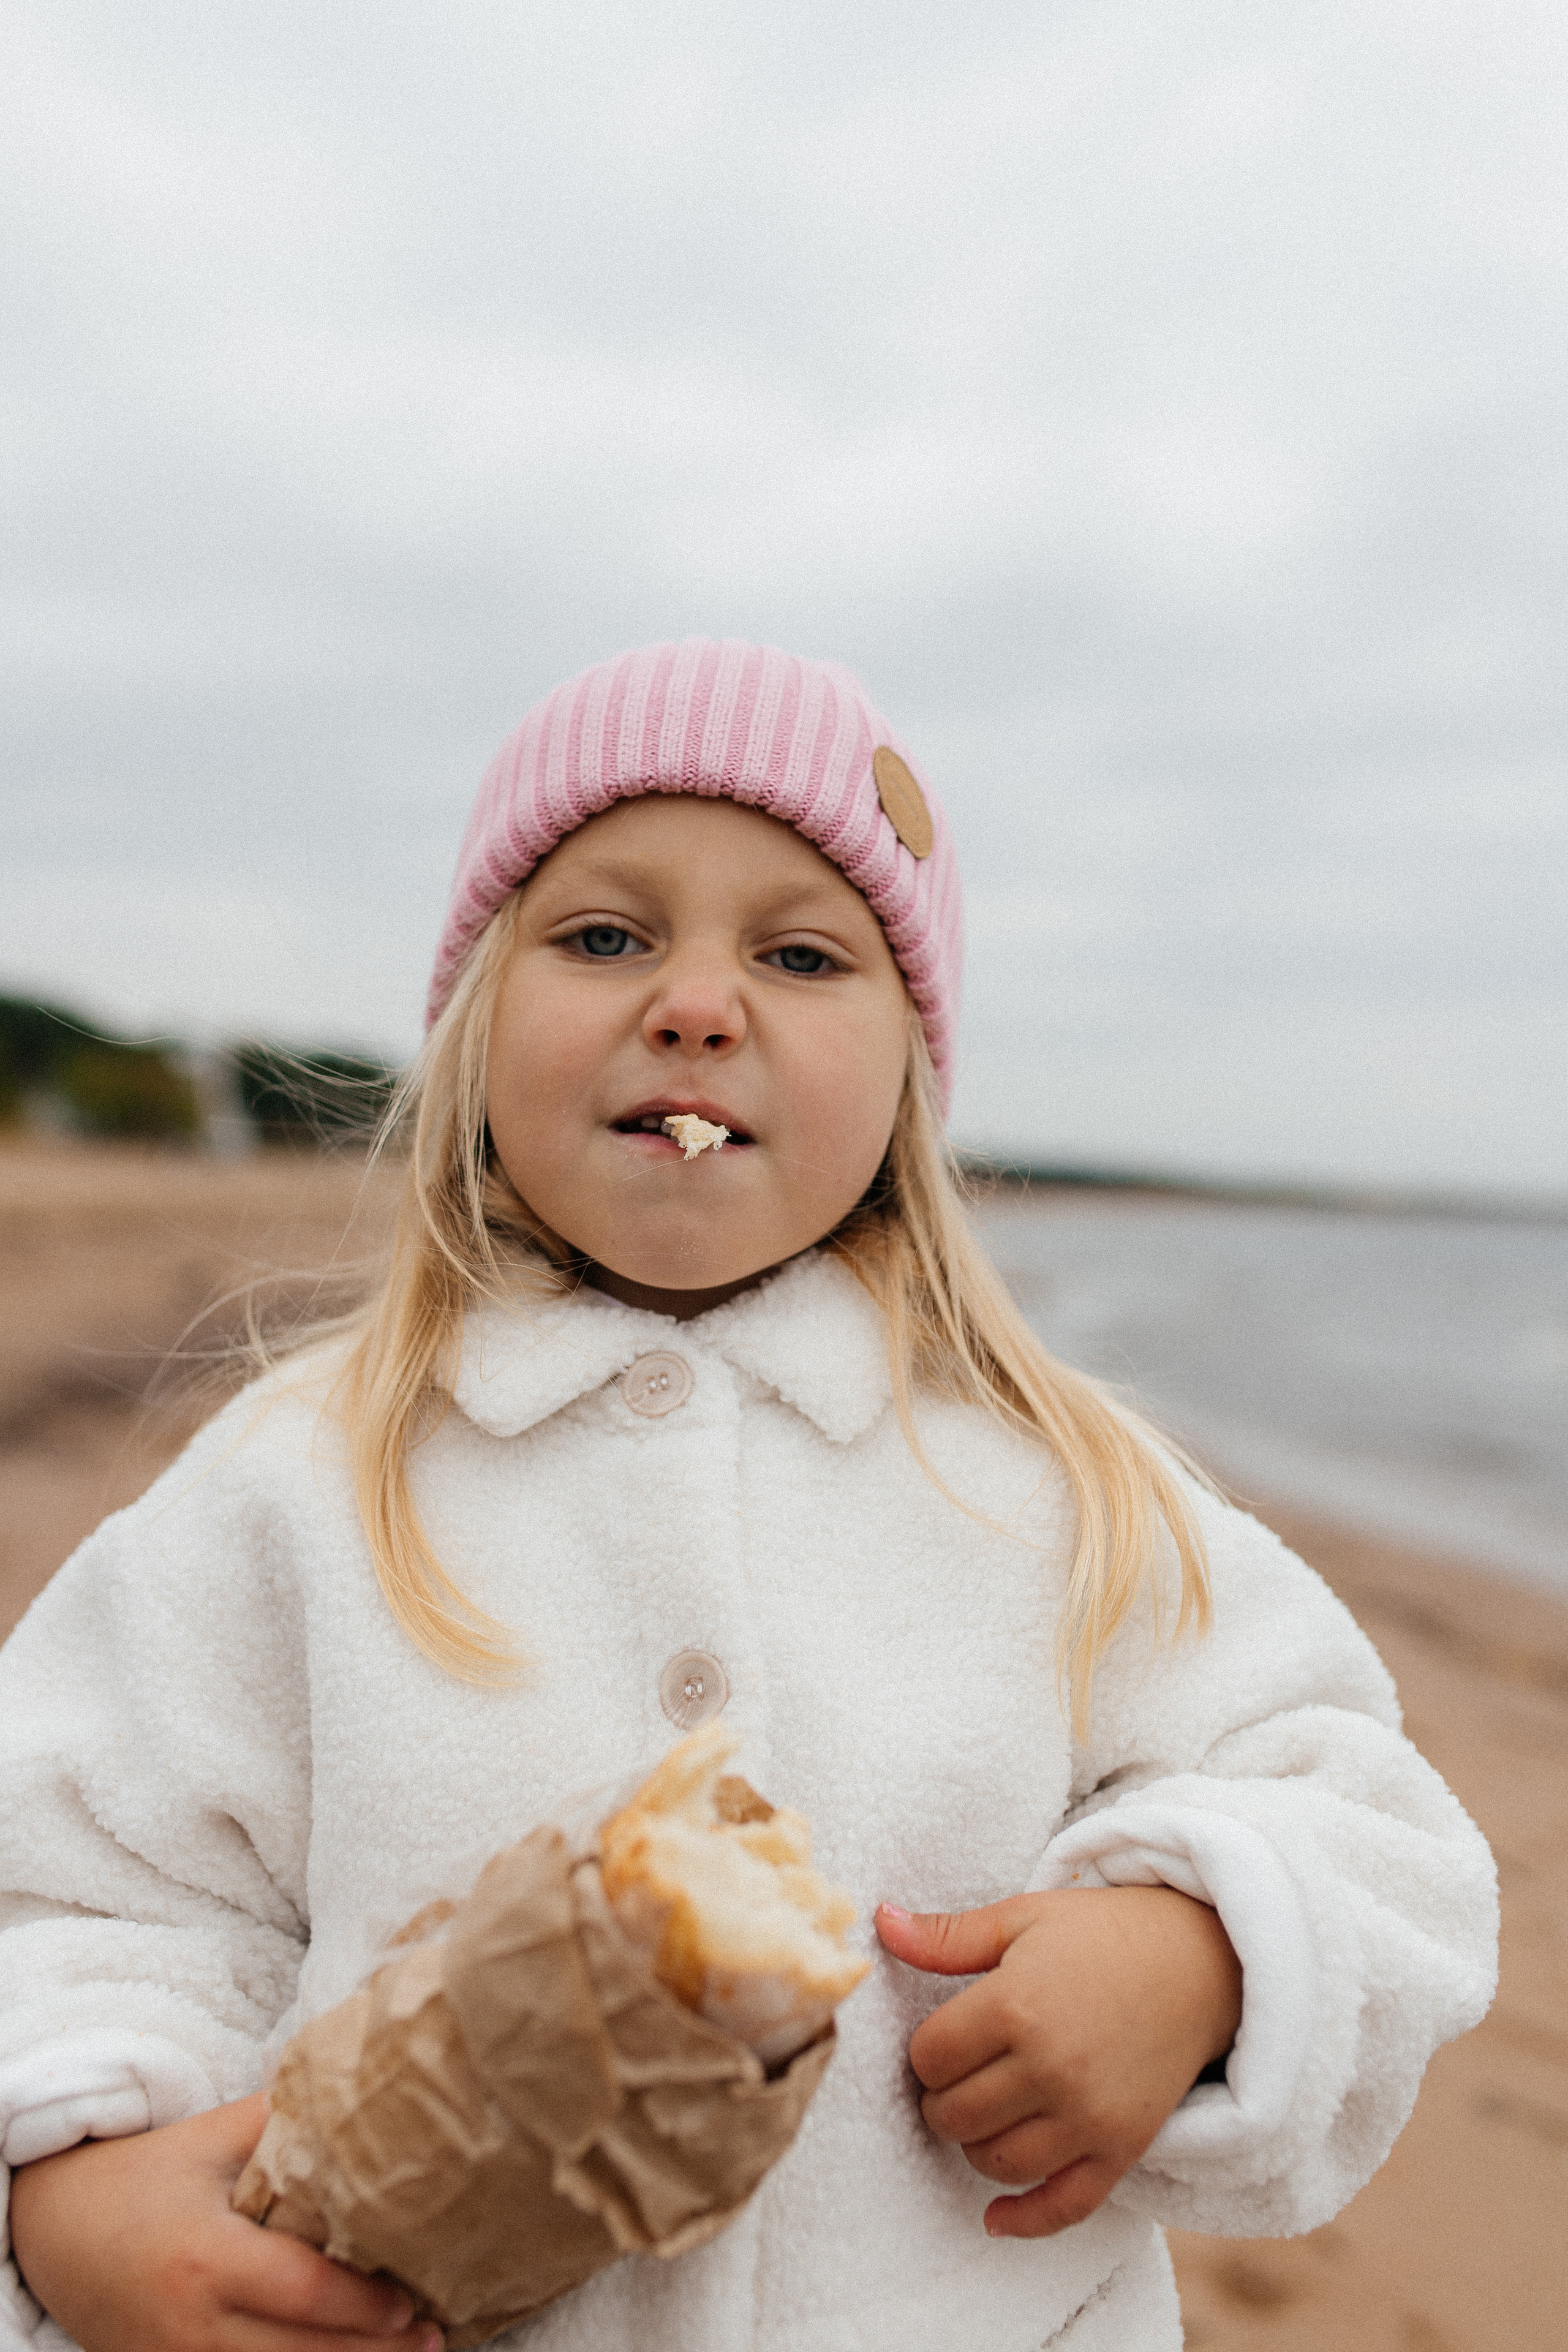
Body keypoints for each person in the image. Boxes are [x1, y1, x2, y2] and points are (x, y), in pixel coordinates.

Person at [0, 641, 1496, 2352]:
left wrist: (1204, 1949)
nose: (697, 1005)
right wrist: (79, 2190)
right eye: (605, 937)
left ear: (912, 1077)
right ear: (480, 1020)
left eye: (799, 954)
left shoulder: (1060, 1488)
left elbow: (1383, 1837)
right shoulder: (302, 1485)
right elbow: (80, 1887)